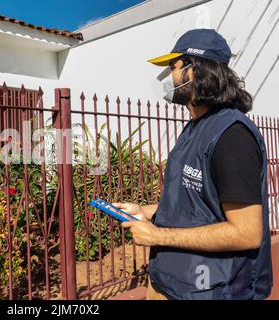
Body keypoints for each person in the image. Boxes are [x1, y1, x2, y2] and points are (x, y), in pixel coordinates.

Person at [113, 29, 272, 300]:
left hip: (215, 291)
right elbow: (196, 204)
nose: (169, 78)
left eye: (174, 67)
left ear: (196, 71)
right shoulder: (195, 129)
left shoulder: (232, 136)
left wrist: (156, 236)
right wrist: (148, 211)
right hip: (174, 286)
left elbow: (246, 233)